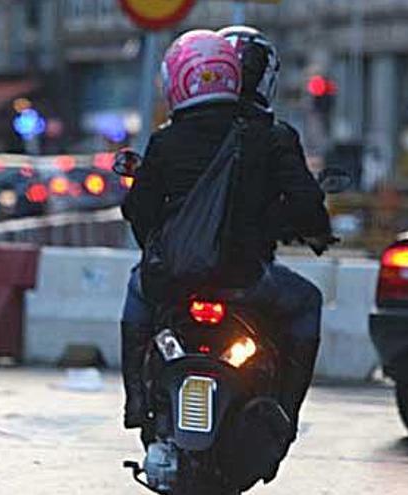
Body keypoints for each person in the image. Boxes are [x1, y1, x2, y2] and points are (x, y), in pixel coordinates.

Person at [119, 29, 332, 437]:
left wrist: (160, 249)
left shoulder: (166, 141)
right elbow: (307, 206)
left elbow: (137, 210)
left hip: (173, 280)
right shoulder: (270, 136)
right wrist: (297, 229)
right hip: (246, 279)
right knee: (308, 302)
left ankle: (136, 399)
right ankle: (285, 411)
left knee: (137, 289)